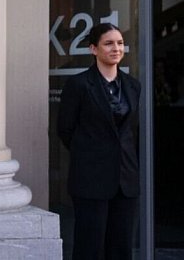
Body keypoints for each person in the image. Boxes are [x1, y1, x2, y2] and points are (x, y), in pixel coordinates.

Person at [57, 23, 141, 260]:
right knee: (89, 247)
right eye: (109, 43)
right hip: (90, 179)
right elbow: (65, 129)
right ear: (94, 49)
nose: (116, 48)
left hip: (125, 180)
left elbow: (129, 131)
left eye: (120, 43)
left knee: (121, 247)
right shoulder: (79, 85)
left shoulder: (133, 86)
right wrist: (89, 153)